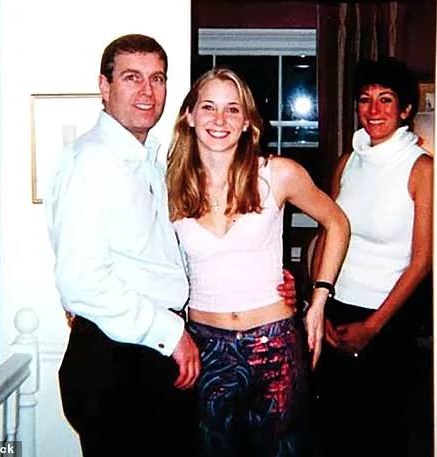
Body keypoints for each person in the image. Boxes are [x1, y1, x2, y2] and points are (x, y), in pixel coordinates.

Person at [46, 34, 297, 457]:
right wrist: (171, 333)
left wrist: (270, 279)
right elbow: (80, 280)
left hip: (152, 354)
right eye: (132, 78)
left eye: (157, 78)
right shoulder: (91, 161)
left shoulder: (152, 162)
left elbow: (167, 255)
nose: (147, 91)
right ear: (104, 86)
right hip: (118, 359)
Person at [165, 67, 350, 457]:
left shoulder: (278, 174)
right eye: (208, 107)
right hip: (204, 350)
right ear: (189, 116)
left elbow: (337, 223)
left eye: (232, 109)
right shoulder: (169, 185)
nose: (220, 120)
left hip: (274, 346)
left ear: (247, 121)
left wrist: (318, 300)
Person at [313, 57, 434, 457]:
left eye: (386, 99)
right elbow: (327, 235)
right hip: (336, 311)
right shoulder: (348, 161)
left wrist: (372, 327)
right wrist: (319, 306)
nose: (374, 109)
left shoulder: (422, 169)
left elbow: (423, 260)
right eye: (365, 99)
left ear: (406, 110)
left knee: (380, 439)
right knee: (333, 435)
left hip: (388, 321)